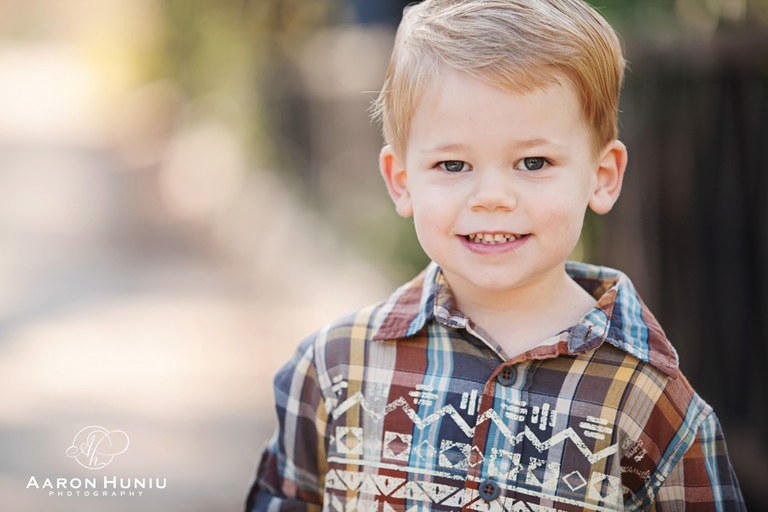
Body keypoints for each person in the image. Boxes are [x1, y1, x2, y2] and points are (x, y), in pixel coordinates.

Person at [245, 0, 746, 510]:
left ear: (603, 176)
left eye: (533, 162)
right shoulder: (336, 369)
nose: (492, 196)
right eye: (453, 163)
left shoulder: (647, 400)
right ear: (401, 181)